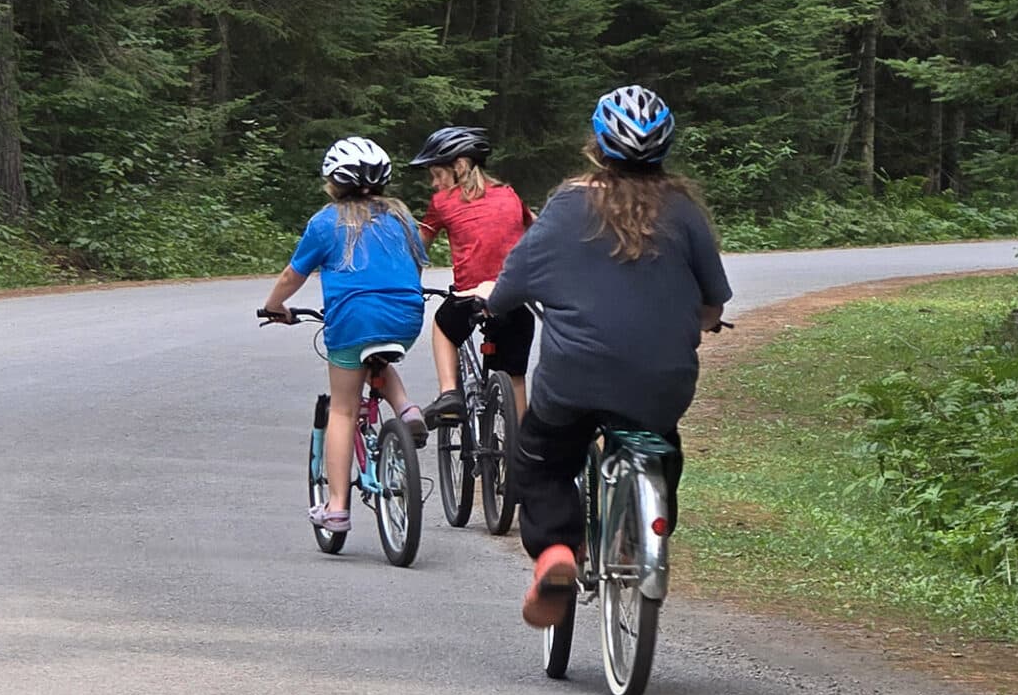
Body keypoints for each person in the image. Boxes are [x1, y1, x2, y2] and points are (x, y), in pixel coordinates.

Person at [487, 85, 731, 627]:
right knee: (662, 444)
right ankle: (644, 526)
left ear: (596, 144)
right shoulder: (685, 212)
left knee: (542, 460)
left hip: (575, 379)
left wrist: (497, 305)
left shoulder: (568, 205)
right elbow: (713, 303)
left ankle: (555, 551)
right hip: (660, 382)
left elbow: (509, 288)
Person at [258, 136, 428, 535]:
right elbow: (414, 270)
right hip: (406, 317)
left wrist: (274, 306)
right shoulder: (404, 219)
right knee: (378, 357)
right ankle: (407, 408)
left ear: (334, 182)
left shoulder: (325, 222)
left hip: (353, 321)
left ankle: (336, 508)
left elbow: (291, 276)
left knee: (343, 409)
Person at [410, 125, 534, 426]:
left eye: (437, 174)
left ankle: (449, 393)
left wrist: (409, 282)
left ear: (459, 167)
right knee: (515, 377)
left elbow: (417, 249)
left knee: (443, 327)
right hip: (513, 297)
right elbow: (535, 231)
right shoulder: (509, 194)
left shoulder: (442, 203)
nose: (434, 183)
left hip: (470, 297)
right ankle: (518, 453)